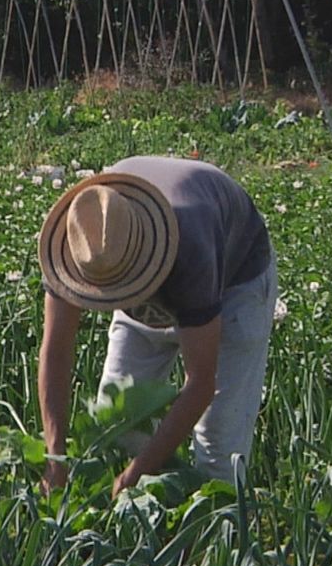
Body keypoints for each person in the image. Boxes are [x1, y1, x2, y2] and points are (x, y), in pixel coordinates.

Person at [36, 155, 277, 497]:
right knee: (118, 426)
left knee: (218, 450)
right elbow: (55, 352)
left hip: (235, 283)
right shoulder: (85, 240)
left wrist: (135, 474)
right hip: (139, 258)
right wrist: (55, 456)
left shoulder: (191, 248)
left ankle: (216, 538)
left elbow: (201, 384)